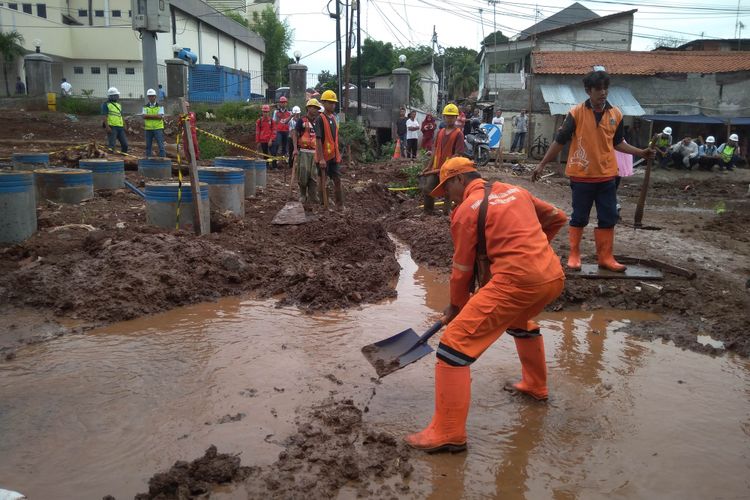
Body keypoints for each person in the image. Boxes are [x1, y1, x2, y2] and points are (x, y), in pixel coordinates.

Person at [404, 157, 568, 453]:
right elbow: (558, 217)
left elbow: (462, 269)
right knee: (520, 321)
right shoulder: (516, 191)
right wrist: (535, 251)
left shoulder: (466, 210)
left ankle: (448, 432)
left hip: (517, 282)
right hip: (553, 276)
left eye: (447, 190)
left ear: (459, 180)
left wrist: (456, 306)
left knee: (454, 344)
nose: (449, 199)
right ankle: (535, 386)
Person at [531, 69, 653, 272]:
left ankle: (605, 258)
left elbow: (618, 143)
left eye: (605, 88)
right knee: (579, 217)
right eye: (598, 89)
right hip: (582, 176)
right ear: (588, 91)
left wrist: (641, 152)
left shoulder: (616, 114)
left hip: (607, 177)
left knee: (608, 217)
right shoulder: (576, 113)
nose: (603, 92)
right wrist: (542, 164)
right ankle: (574, 255)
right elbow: (560, 141)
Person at [420, 103, 465, 214]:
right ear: (444, 117)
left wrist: (447, 166)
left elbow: (458, 154)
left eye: (452, 116)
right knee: (428, 188)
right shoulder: (439, 132)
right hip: (436, 169)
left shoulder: (458, 134)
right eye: (447, 116)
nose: (449, 119)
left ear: (456, 118)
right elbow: (434, 151)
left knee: (448, 192)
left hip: (449, 170)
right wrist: (429, 167)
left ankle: (446, 213)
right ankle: (428, 211)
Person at [315, 90, 344, 209]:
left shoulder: (333, 118)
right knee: (323, 180)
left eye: (334, 103)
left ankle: (340, 204)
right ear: (324, 103)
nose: (333, 105)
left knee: (337, 179)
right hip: (324, 156)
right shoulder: (320, 119)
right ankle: (323, 203)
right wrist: (321, 158)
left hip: (334, 155)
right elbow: (318, 140)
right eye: (330, 102)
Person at [292, 99, 322, 210]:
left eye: (316, 108)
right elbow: (295, 134)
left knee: (313, 175)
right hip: (303, 152)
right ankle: (303, 194)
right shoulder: (302, 121)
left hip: (315, 152)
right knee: (303, 173)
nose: (314, 109)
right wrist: (295, 149)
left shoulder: (319, 122)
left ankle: (313, 196)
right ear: (308, 108)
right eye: (313, 107)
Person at [101, 87, 128, 153]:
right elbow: (105, 116)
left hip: (120, 127)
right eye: (116, 95)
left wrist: (124, 124)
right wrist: (107, 126)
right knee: (112, 146)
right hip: (112, 127)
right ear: (112, 96)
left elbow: (121, 116)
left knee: (125, 145)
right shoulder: (106, 104)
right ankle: (110, 160)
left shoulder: (118, 105)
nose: (118, 96)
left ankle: (123, 156)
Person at [142, 88, 166, 158]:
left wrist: (148, 116)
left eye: (152, 96)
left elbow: (160, 117)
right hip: (148, 128)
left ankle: (163, 158)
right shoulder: (145, 107)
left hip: (158, 128)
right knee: (148, 145)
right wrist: (155, 116)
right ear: (148, 97)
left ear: (155, 96)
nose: (151, 97)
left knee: (161, 145)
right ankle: (148, 159)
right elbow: (144, 116)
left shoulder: (160, 106)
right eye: (150, 96)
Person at [273, 96, 292, 162]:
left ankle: (285, 158)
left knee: (285, 145)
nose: (283, 104)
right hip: (279, 131)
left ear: (286, 103)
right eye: (281, 102)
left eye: (284, 102)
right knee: (277, 144)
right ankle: (277, 158)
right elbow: (274, 121)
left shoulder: (290, 112)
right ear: (279, 103)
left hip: (286, 131)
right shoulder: (276, 112)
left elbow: (291, 122)